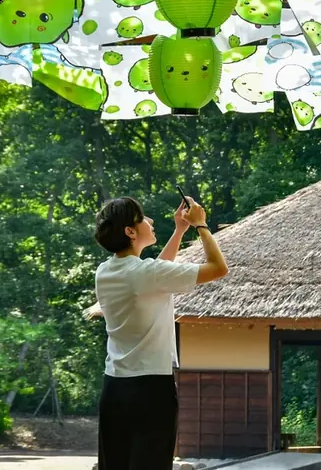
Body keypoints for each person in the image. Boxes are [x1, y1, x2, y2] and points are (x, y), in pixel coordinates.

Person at [93, 196, 228, 470]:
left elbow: (157, 276)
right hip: (150, 390)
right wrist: (201, 225)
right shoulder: (145, 274)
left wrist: (179, 231)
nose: (150, 221)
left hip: (114, 387)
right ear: (130, 231)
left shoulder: (105, 271)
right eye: (142, 218)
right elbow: (218, 268)